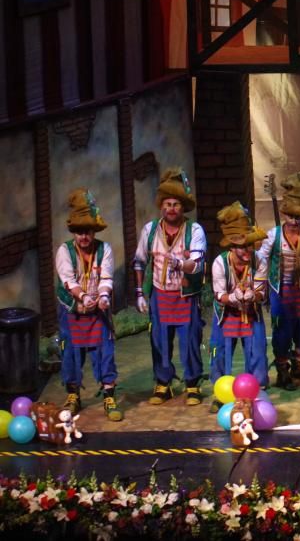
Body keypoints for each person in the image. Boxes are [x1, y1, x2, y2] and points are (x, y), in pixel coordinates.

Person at [133, 167, 207, 405]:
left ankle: (193, 384)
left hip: (185, 295)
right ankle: (163, 383)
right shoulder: (150, 230)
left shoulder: (194, 230)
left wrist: (180, 263)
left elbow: (196, 264)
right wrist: (140, 294)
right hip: (160, 294)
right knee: (159, 340)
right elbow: (139, 261)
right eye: (167, 203)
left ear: (183, 206)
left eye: (175, 204)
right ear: (161, 206)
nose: (171, 208)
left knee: (190, 340)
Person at [55, 189, 122, 421]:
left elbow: (106, 278)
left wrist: (103, 298)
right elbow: (68, 281)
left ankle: (109, 396)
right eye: (80, 232)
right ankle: (73, 396)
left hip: (97, 311)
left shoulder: (105, 250)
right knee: (71, 353)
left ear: (94, 231)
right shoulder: (64, 251)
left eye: (88, 232)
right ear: (74, 232)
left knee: (105, 352)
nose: (84, 237)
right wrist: (83, 297)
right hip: (73, 311)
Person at [256, 172, 300, 390]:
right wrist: (261, 285)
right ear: (284, 215)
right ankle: (282, 371)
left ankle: (298, 365)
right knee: (282, 329)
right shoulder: (273, 235)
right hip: (280, 291)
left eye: (298, 217)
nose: (294, 221)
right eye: (291, 216)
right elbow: (262, 258)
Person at [209, 203, 268, 403]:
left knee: (257, 351)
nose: (247, 251)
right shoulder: (219, 263)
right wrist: (232, 297)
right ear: (232, 247)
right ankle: (220, 392)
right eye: (242, 247)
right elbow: (219, 295)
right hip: (226, 313)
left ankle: (256, 391)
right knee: (219, 350)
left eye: (250, 245)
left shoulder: (259, 261)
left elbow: (261, 291)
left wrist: (253, 295)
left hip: (251, 312)